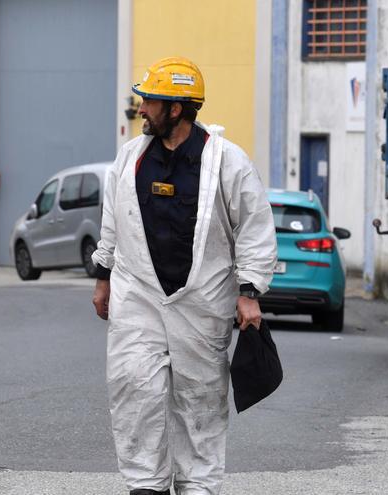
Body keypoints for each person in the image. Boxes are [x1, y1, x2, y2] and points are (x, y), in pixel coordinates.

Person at [90, 57, 277, 495]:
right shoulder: (131, 158)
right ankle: (146, 485)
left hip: (202, 302)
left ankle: (197, 486)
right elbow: (113, 221)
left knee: (200, 400)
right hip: (138, 297)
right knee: (134, 389)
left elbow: (254, 225)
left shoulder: (226, 162)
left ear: (176, 109)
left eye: (149, 101)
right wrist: (104, 278)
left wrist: (249, 291)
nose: (141, 108)